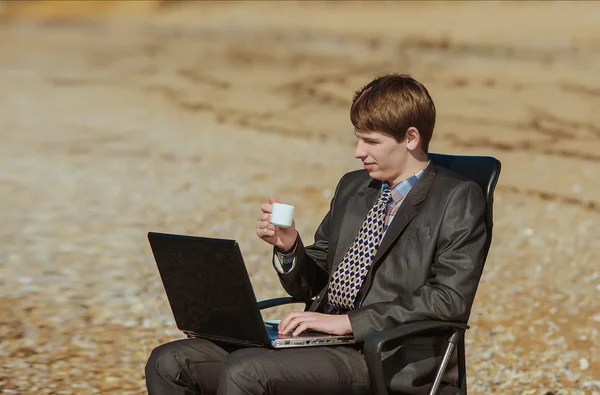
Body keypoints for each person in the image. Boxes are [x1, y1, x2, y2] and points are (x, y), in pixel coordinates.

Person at [145, 74, 487, 395]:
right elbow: (314, 283)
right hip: (318, 340)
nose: (358, 152)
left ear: (410, 138)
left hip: (387, 355)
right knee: (169, 362)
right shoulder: (354, 187)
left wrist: (348, 324)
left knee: (246, 371)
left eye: (371, 141)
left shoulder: (457, 198)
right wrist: (290, 249)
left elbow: (449, 299)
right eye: (357, 138)